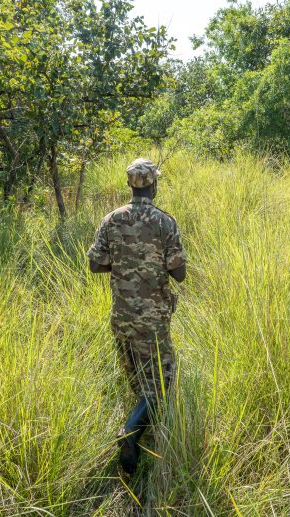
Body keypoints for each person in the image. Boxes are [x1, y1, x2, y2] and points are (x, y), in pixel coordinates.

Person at [86, 157, 187, 474]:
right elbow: (180, 274)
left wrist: (122, 265)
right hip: (153, 319)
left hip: (121, 316)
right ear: (154, 185)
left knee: (138, 382)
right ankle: (130, 434)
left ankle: (140, 441)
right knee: (160, 383)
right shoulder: (164, 222)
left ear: (130, 185)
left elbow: (94, 265)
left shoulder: (111, 219)